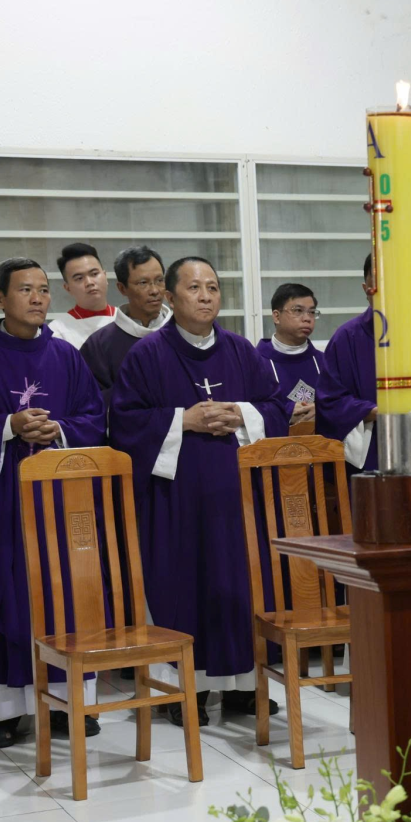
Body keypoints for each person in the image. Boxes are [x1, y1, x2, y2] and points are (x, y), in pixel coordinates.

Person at [0, 258, 106, 748]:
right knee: (6, 595)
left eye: (43, 290)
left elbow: (94, 418)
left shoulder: (67, 356)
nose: (37, 298)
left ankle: (69, 702)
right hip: (1, 504)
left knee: (67, 597)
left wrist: (60, 430)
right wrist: (7, 427)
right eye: (25, 289)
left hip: (60, 501)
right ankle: (3, 712)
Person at [109, 257, 290, 725]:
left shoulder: (241, 350)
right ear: (171, 297)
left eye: (212, 287)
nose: (206, 296)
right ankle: (181, 690)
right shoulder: (147, 355)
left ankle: (244, 688)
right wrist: (181, 420)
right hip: (176, 500)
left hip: (237, 498)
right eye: (194, 288)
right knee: (181, 586)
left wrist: (243, 414)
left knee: (239, 585)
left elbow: (277, 407)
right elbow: (123, 423)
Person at [314, 255, 411, 471]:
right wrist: (374, 411)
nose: (388, 291)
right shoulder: (346, 338)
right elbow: (330, 401)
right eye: (379, 283)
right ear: (366, 288)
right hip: (372, 452)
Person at [78, 245, 170, 408]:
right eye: (143, 283)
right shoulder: (99, 345)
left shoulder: (184, 332)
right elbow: (90, 403)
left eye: (159, 280)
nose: (155, 290)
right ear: (122, 288)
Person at [256, 283, 323, 426]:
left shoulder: (325, 362)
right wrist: (287, 411)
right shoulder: (255, 362)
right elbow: (247, 409)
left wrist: (321, 410)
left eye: (312, 312)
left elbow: (340, 404)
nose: (307, 318)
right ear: (276, 316)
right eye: (298, 310)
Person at [47, 243, 116, 349]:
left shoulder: (128, 320)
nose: (89, 282)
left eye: (94, 274)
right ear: (67, 288)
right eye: (79, 278)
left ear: (105, 276)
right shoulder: (57, 331)